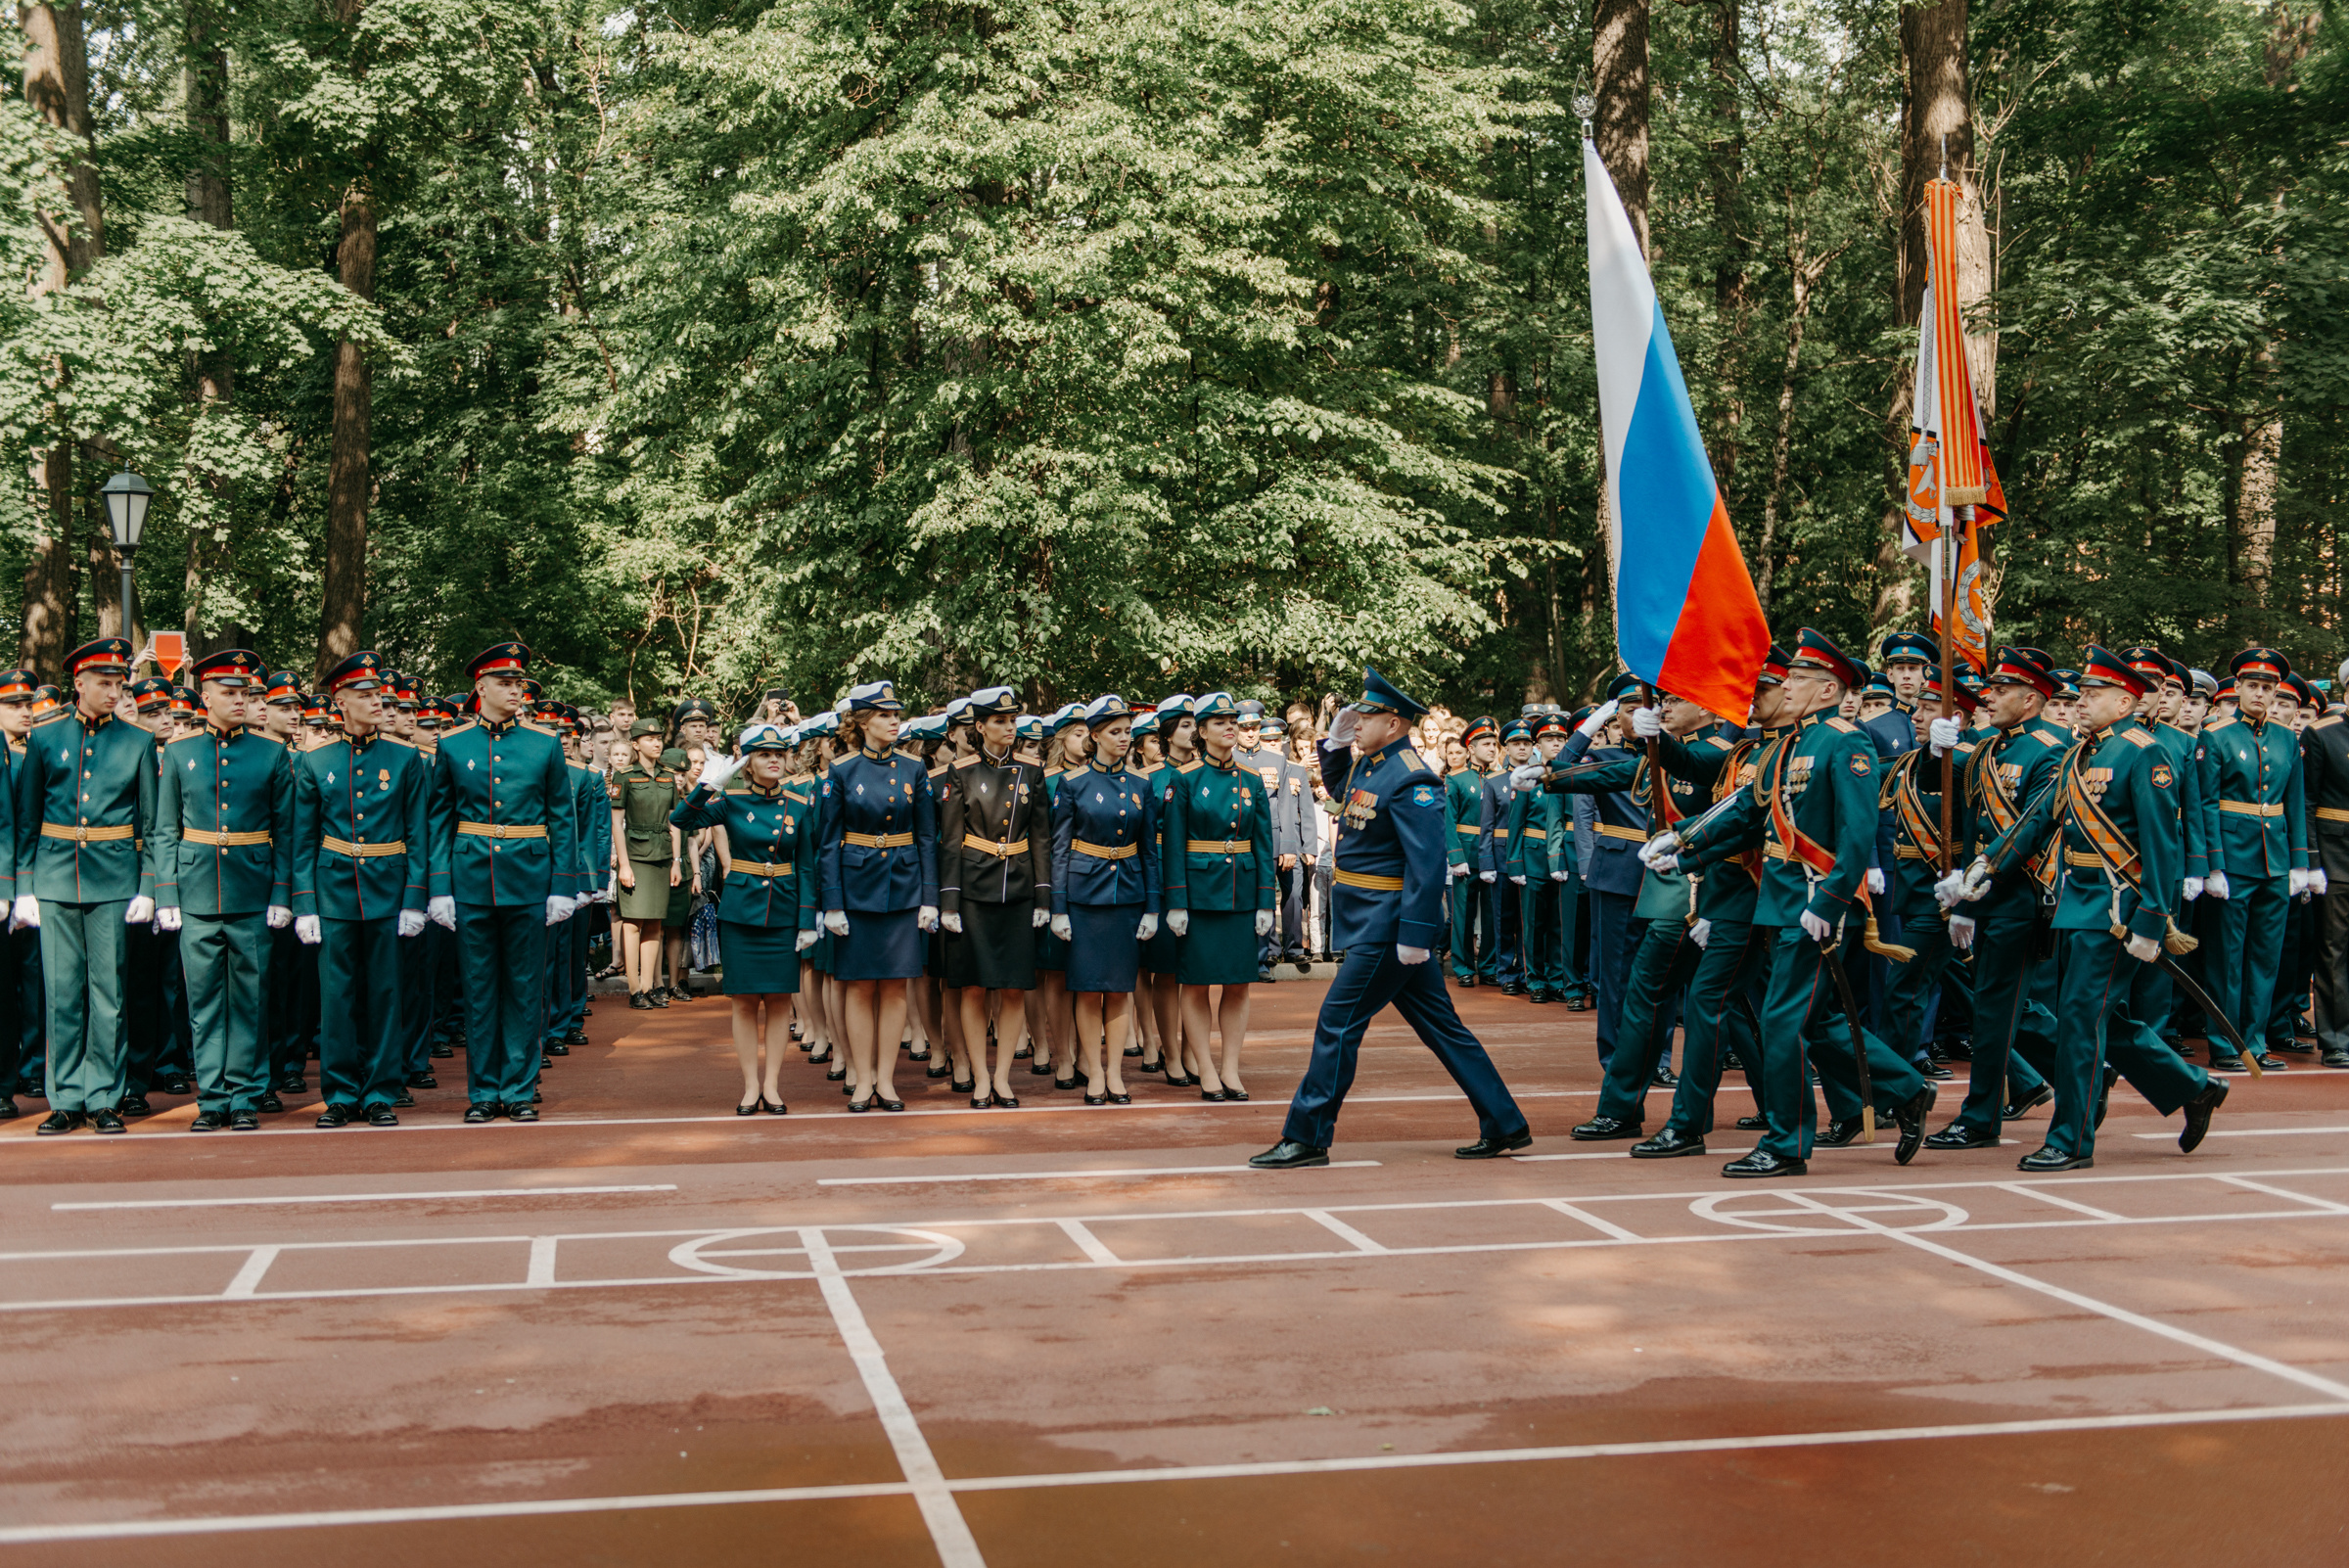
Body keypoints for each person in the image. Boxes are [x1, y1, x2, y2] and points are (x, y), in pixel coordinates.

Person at [1649, 629, 1937, 1178]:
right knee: (1816, 1019)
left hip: (1815, 906)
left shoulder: (1844, 740)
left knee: (1782, 1022)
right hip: (1781, 904)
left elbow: (1856, 836)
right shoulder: (1787, 744)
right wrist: (1684, 846)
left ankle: (1785, 1143)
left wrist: (1829, 903)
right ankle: (1907, 1088)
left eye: (1799, 679)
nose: (1787, 688)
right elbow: (1746, 817)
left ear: (1829, 689)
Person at [1251, 668, 1531, 1168]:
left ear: (1396, 723)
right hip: (1373, 923)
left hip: (1388, 927)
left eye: (1367, 714)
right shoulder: (1373, 766)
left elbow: (1426, 865)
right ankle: (1505, 1121)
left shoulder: (1413, 778)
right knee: (1443, 1028)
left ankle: (1308, 1135)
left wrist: (1417, 934)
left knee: (1336, 1023)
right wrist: (1332, 744)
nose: (1356, 720)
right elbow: (1341, 787)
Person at [1959, 646, 2226, 1169]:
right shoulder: (2082, 753)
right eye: (2079, 692)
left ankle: (2070, 1139)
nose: (2080, 701)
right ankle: (2192, 1088)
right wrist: (1987, 864)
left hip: (2117, 913)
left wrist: (2152, 919)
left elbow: (2160, 847)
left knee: (2081, 1019)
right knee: (2098, 1016)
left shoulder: (2143, 751)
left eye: (2092, 693)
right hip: (2076, 905)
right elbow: (2037, 820)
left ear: (2125, 701)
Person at [427, 643, 582, 1123]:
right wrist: (438, 888)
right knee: (477, 989)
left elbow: (562, 816)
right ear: (481, 688)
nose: (515, 690)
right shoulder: (453, 745)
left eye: (518, 683)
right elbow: (439, 819)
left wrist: (563, 885)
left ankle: (518, 1088)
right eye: (504, 683)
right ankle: (483, 1092)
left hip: (530, 878)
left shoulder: (544, 743)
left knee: (524, 987)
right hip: (471, 879)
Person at [15, 638, 158, 1135]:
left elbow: (151, 822)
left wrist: (148, 886)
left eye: (119, 682)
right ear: (78, 683)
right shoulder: (46, 738)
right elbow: (28, 817)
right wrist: (25, 886)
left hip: (115, 877)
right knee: (61, 993)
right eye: (104, 682)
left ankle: (104, 1097)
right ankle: (64, 1097)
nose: (114, 691)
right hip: (55, 877)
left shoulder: (138, 741)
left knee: (109, 994)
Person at [289, 652, 432, 1128]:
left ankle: (380, 1092)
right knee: (338, 997)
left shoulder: (405, 757)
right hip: (333, 893)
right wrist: (305, 904)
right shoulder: (316, 761)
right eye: (365, 695)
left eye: (379, 695)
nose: (377, 702)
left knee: (386, 994)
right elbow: (303, 838)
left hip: (389, 890)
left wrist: (415, 898)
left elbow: (418, 835)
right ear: (340, 701)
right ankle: (341, 1093)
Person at [672, 721, 814, 1113]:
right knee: (744, 1002)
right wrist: (709, 784)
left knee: (781, 1001)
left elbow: (805, 867)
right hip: (741, 911)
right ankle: (750, 1085)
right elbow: (682, 820)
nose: (773, 760)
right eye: (764, 755)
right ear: (747, 764)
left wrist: (807, 920)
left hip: (785, 911)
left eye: (779, 754)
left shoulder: (800, 804)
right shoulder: (731, 800)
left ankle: (772, 1086)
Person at [817, 682, 936, 1110]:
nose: (893, 721)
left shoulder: (913, 768)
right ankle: (863, 1077)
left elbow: (926, 836)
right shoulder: (842, 770)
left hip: (904, 889)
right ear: (864, 721)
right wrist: (831, 902)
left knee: (896, 987)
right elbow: (827, 842)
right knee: (859, 987)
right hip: (856, 890)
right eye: (884, 715)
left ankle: (886, 1079)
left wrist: (930, 898)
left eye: (896, 714)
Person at [938, 686, 1052, 1107]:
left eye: (1012, 721)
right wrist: (948, 901)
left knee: (1014, 987)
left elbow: (1041, 837)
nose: (1009, 728)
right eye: (999, 721)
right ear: (979, 726)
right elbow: (949, 841)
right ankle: (980, 1075)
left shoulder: (1031, 772)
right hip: (972, 891)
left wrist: (1044, 898)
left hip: (1019, 889)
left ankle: (1003, 1077)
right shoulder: (961, 772)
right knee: (972, 987)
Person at [2196, 647, 2307, 1073]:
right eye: (2253, 686)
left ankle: (2255, 1041)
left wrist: (2298, 862)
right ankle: (2226, 1043)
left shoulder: (2284, 738)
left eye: (2268, 687)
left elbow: (2294, 802)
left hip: (2274, 861)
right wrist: (2213, 865)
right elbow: (2206, 803)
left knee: (2265, 956)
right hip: (2233, 861)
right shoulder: (2217, 735)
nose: (2260, 694)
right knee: (2226, 957)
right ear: (2238, 689)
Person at [1161, 691, 1275, 1099]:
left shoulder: (1252, 780)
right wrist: (1175, 901)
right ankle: (1205, 1069)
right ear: (1203, 731)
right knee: (1195, 985)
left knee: (1239, 984)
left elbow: (1264, 844)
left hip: (1240, 895)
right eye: (1222, 721)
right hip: (1198, 896)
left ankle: (1230, 1069)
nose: (1232, 727)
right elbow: (1172, 845)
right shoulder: (1185, 779)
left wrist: (1266, 900)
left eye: (1235, 721)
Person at [1050, 694, 1157, 1103]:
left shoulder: (1141, 784)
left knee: (1118, 988)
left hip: (1127, 895)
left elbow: (1148, 850)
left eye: (1129, 731)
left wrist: (1152, 906)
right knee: (1088, 987)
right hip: (1084, 897)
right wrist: (1058, 907)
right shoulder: (1073, 782)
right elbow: (1059, 848)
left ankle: (1115, 1073)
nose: (1125, 738)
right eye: (1116, 732)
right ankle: (1093, 1070)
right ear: (1094, 736)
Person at [611, 718, 681, 1008]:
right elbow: (617, 823)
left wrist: (676, 861)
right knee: (633, 922)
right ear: (636, 744)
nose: (656, 743)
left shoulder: (667, 777)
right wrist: (623, 865)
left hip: (663, 855)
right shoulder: (625, 776)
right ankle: (634, 988)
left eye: (659, 739)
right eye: (649, 739)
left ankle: (651, 986)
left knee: (655, 921)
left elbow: (674, 822)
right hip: (635, 855)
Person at [2309, 658, 2349, 1069]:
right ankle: (2336, 1038)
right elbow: (2307, 800)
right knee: (2334, 950)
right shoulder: (2322, 734)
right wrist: (2312, 860)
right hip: (2337, 856)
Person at [1446, 718, 1497, 985]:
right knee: (1463, 915)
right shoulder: (1455, 779)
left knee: (1491, 914)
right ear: (1470, 748)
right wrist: (1456, 857)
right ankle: (1464, 967)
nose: (1492, 748)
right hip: (1466, 854)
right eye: (1486, 744)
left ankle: (1488, 967)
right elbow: (1448, 821)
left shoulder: (1501, 779)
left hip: (1494, 855)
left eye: (1494, 744)